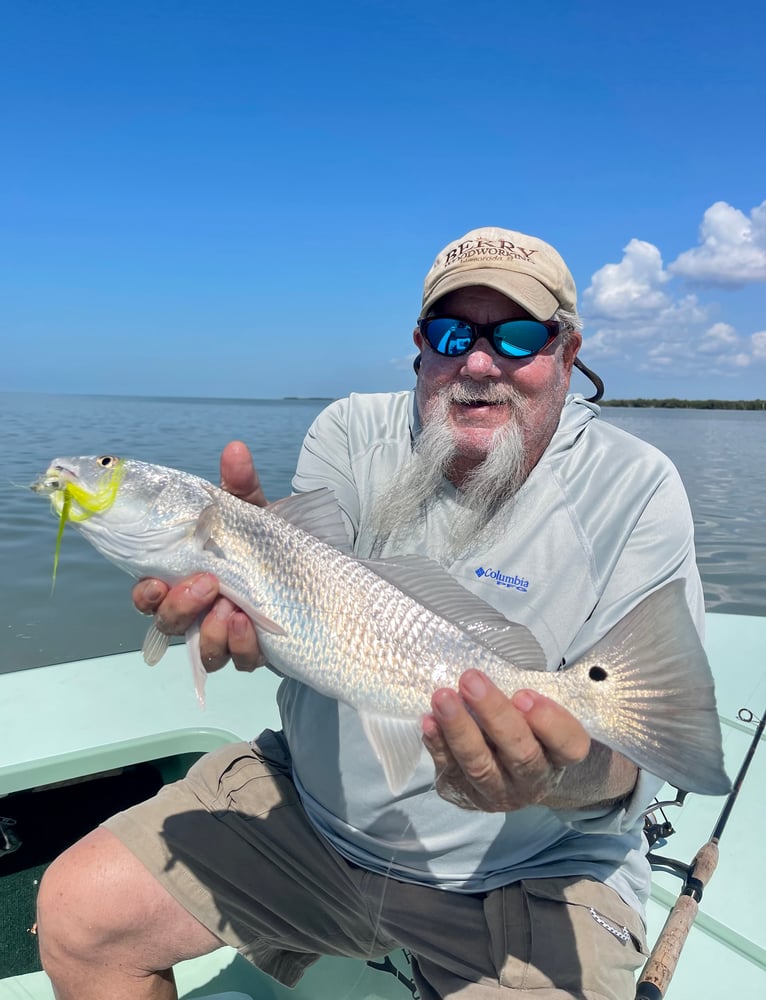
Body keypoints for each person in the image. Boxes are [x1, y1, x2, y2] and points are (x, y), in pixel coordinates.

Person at [36, 226, 704, 1000]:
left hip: (526, 869)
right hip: (312, 819)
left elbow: (628, 768)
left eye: (518, 335)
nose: (479, 364)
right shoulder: (352, 430)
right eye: (452, 334)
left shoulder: (637, 488)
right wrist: (256, 544)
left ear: (567, 349)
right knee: (79, 916)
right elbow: (318, 557)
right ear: (421, 347)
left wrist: (555, 773)